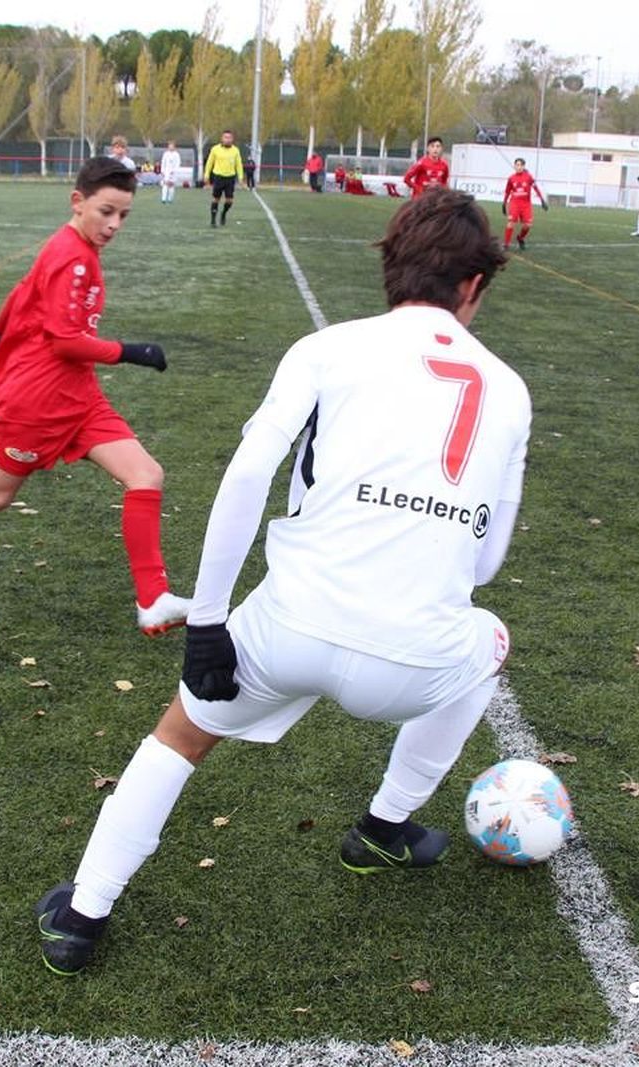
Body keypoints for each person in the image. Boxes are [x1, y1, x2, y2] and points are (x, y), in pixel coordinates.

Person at [31, 189, 527, 977]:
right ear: (474, 285)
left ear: (391, 270)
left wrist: (208, 622)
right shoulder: (511, 388)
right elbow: (486, 562)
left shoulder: (328, 348)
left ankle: (83, 914)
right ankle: (382, 828)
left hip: (286, 629)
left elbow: (248, 474)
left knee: (182, 734)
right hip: (418, 664)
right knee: (491, 637)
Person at [0, 158, 190, 634]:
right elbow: (66, 341)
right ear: (77, 201)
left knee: (146, 475)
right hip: (35, 403)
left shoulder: (73, 247)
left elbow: (22, 288)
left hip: (79, 396)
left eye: (123, 216)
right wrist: (132, 352)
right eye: (106, 212)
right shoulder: (72, 256)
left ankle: (152, 600)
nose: (114, 225)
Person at [500, 157, 548, 251]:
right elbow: (507, 192)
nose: (518, 167)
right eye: (517, 165)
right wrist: (504, 203)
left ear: (523, 166)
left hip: (526, 204)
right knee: (510, 223)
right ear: (514, 166)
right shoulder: (511, 178)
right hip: (514, 203)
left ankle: (520, 238)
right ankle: (506, 244)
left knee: (528, 225)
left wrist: (542, 200)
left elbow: (536, 188)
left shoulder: (528, 177)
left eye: (520, 165)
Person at [202, 130, 245, 228]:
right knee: (216, 199)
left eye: (229, 138)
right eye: (225, 137)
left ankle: (223, 214)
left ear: (232, 139)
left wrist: (241, 178)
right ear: (222, 138)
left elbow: (239, 165)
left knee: (229, 201)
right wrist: (206, 175)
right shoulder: (215, 149)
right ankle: (213, 220)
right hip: (218, 177)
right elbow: (209, 163)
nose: (227, 139)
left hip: (230, 178)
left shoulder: (235, 150)